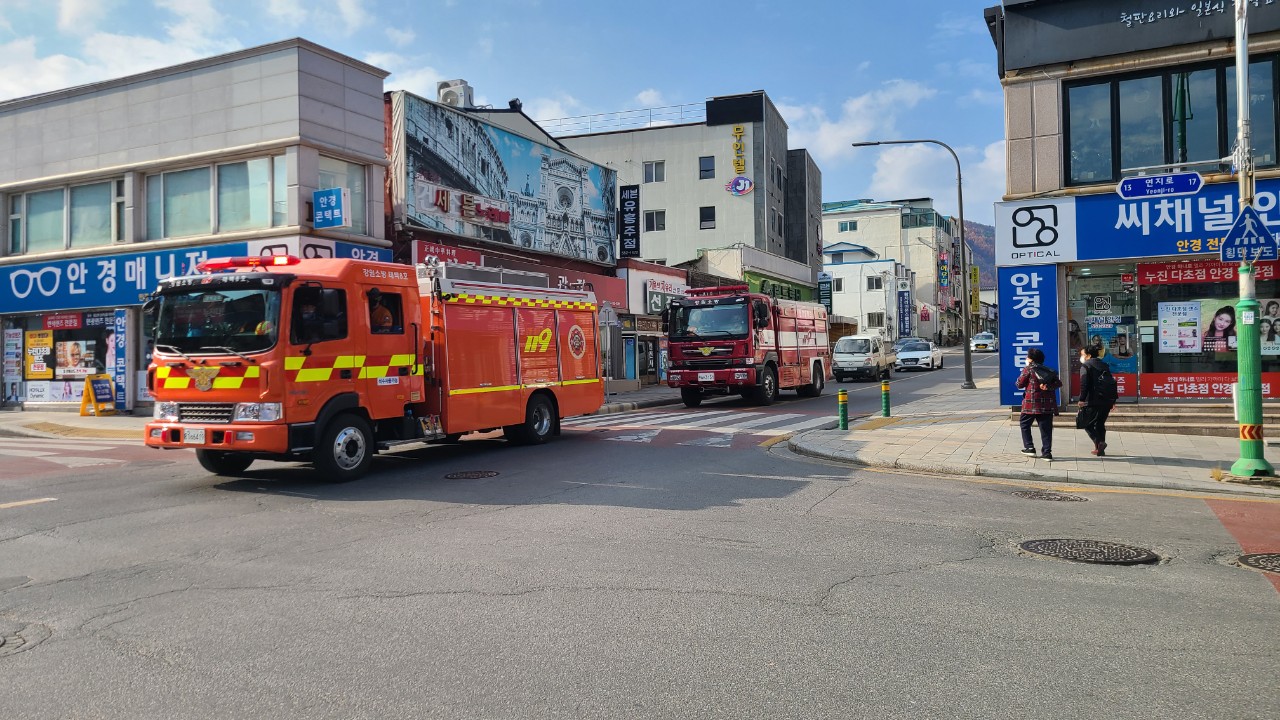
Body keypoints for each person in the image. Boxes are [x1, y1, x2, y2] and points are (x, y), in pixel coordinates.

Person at [1015, 347, 1061, 460]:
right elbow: (1059, 383)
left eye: (1027, 357)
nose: (1026, 358)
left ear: (1031, 359)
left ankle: (1029, 447)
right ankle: (1047, 453)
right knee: (1046, 429)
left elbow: (1019, 384)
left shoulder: (1028, 369)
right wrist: (1048, 387)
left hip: (1031, 404)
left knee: (1024, 424)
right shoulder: (1047, 370)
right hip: (1047, 405)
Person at [1077, 344, 1116, 456]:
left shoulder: (1086, 366)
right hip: (1106, 400)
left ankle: (1099, 443)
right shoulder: (1104, 365)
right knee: (1100, 424)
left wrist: (1081, 399)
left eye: (1082, 355)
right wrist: (1113, 401)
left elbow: (1084, 384)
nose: (1081, 357)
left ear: (1088, 355)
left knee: (1087, 424)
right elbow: (1110, 383)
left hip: (1092, 400)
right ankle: (1099, 448)